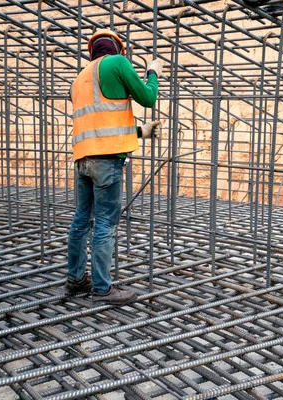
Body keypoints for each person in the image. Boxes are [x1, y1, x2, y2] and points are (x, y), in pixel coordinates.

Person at [65, 29, 163, 305]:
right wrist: (152, 73)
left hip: (83, 159)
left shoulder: (80, 78)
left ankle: (75, 281)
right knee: (106, 224)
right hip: (107, 161)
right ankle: (102, 288)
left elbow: (100, 122)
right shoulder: (117, 63)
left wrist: (139, 132)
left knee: (81, 221)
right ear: (119, 50)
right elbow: (148, 98)